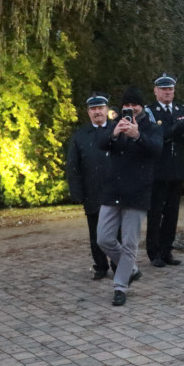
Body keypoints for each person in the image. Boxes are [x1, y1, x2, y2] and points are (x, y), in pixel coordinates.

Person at [97, 86, 162, 306]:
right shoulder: (115, 124)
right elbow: (100, 143)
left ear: (142, 106)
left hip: (138, 192)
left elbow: (156, 149)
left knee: (129, 243)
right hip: (113, 190)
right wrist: (114, 133)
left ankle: (120, 287)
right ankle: (131, 269)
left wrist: (137, 136)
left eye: (135, 104)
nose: (131, 108)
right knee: (103, 238)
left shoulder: (152, 127)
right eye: (127, 105)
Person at [146, 73, 184, 267]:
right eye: (164, 89)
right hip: (159, 170)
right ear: (156, 91)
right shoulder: (150, 112)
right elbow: (156, 137)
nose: (168, 92)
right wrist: (173, 130)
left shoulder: (181, 109)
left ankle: (167, 250)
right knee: (155, 213)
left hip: (177, 168)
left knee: (172, 213)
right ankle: (154, 252)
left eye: (170, 89)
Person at [67, 93, 113, 280]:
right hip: (92, 191)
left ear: (107, 110)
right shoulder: (80, 135)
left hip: (115, 191)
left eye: (100, 108)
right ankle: (100, 266)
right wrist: (77, 192)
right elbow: (73, 165)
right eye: (93, 109)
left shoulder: (117, 129)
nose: (97, 112)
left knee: (116, 232)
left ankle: (118, 265)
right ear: (88, 112)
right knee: (95, 233)